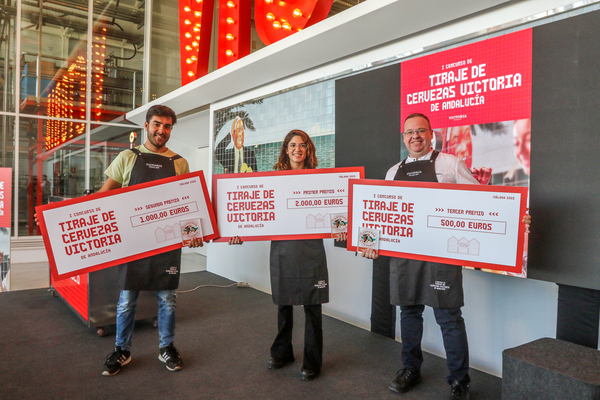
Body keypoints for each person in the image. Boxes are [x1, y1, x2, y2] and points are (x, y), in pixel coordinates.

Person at [363, 113, 530, 400]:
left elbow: (481, 200)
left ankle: (459, 380)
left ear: (431, 134)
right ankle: (410, 369)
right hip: (405, 255)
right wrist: (368, 242)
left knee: (449, 317)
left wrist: (515, 220)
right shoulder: (392, 172)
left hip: (441, 255)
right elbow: (381, 214)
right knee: (409, 313)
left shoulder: (451, 164)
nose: (415, 136)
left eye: (420, 131)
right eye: (409, 133)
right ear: (404, 138)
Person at [229, 129, 345, 381]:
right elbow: (256, 210)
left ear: (308, 150)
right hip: (283, 247)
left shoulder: (319, 178)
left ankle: (312, 360)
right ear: (286, 149)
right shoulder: (273, 179)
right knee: (284, 302)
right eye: (292, 145)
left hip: (311, 248)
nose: (297, 149)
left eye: (302, 145)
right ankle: (282, 352)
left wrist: (342, 228)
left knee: (312, 305)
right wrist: (237, 230)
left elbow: (336, 208)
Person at [98, 105, 204, 376]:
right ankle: (122, 349)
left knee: (167, 300)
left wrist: (192, 234)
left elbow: (187, 204)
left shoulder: (179, 162)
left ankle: (166, 347)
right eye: (157, 124)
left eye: (167, 126)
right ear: (146, 125)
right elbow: (102, 197)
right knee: (126, 301)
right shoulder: (127, 157)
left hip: (166, 244)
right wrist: (62, 219)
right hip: (133, 243)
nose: (162, 131)